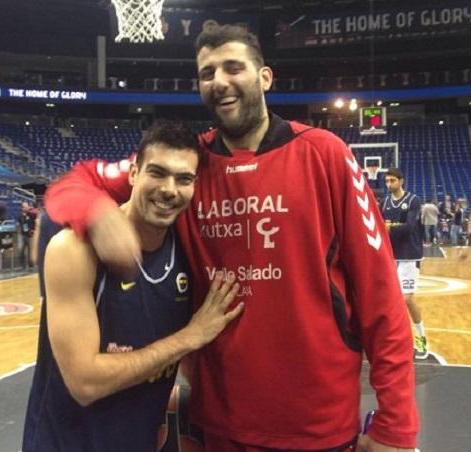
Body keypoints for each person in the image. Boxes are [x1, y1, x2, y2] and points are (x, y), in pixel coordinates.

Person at [45, 25, 417, 452]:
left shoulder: (325, 154)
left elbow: (380, 293)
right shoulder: (188, 166)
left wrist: (396, 424)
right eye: (207, 73)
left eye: (233, 67)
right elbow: (71, 184)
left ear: (264, 77)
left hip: (317, 425)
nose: (219, 81)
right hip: (219, 425)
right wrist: (95, 212)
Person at [23, 121, 244, 451]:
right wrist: (191, 337)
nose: (169, 189)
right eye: (157, 173)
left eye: (183, 179)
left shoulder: (187, 251)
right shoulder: (74, 250)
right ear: (133, 174)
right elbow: (85, 383)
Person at [380, 169, 428, 359]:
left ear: (401, 181)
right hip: (390, 255)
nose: (389, 184)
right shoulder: (384, 202)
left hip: (409, 254)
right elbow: (378, 225)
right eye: (387, 181)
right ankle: (393, 338)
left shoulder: (413, 200)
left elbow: (409, 227)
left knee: (407, 299)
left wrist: (389, 226)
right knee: (387, 299)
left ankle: (421, 339)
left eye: (392, 180)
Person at [18, 201, 39, 268]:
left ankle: (31, 265)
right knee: (21, 250)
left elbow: (35, 221)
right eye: (25, 207)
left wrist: (34, 230)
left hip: (30, 235)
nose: (27, 208)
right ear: (22, 208)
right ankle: (23, 265)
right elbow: (20, 224)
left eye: (27, 206)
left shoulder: (31, 215)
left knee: (31, 251)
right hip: (22, 235)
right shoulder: (20, 216)